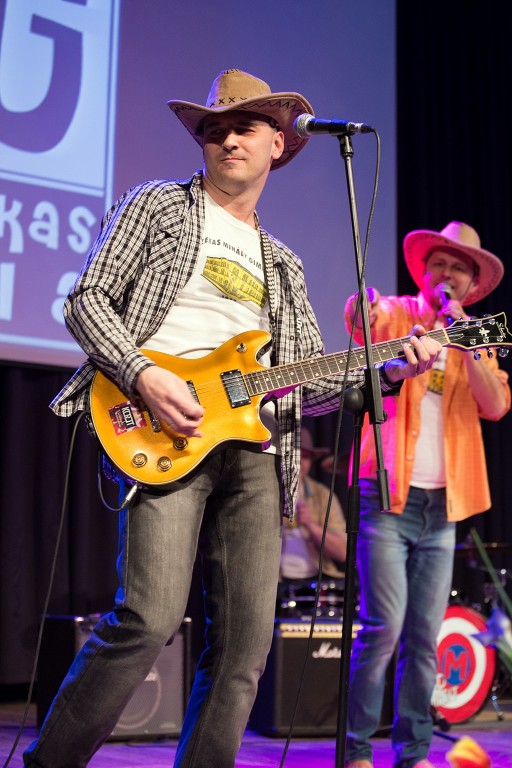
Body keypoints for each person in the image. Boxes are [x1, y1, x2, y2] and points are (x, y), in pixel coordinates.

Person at [23, 68, 441, 768]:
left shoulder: (284, 265)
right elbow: (86, 299)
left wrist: (392, 370)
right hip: (160, 425)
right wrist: (143, 374)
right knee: (149, 617)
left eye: (243, 126)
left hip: (255, 451)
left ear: (278, 143)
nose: (226, 139)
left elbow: (309, 385)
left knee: (245, 646)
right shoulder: (158, 205)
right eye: (214, 128)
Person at [343, 221, 511, 768]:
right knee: (382, 628)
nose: (447, 273)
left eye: (459, 268)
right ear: (425, 271)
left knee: (424, 636)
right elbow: (360, 320)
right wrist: (361, 308)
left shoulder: (477, 338)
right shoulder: (398, 314)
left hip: (444, 506)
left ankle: (412, 753)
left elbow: (495, 405)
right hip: (387, 495)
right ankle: (356, 750)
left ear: (471, 284)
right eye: (439, 263)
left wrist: (465, 339)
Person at [279, 426, 346, 618]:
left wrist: (310, 525)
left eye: (306, 456)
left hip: (315, 583)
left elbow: (343, 552)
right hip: (272, 583)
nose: (300, 461)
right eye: (294, 453)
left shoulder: (323, 495)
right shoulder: (263, 492)